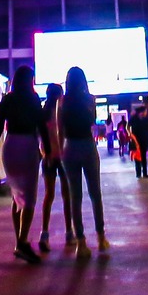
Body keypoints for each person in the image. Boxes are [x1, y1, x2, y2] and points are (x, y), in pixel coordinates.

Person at [0, 64, 48, 263]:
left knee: (16, 195)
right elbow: (41, 126)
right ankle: (22, 242)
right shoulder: (33, 98)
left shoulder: (8, 99)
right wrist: (47, 149)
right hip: (28, 145)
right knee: (29, 198)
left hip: (10, 145)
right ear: (30, 80)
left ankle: (18, 241)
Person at [56, 66, 109, 256]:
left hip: (69, 147)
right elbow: (92, 121)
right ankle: (101, 238)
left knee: (75, 197)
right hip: (87, 145)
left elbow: (59, 129)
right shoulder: (90, 99)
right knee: (95, 193)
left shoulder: (62, 102)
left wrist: (60, 151)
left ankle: (81, 242)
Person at [37, 83, 65, 251]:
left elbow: (41, 136)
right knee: (67, 195)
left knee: (49, 195)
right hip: (61, 157)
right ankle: (70, 232)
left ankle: (44, 233)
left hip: (48, 157)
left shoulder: (43, 111)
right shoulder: (59, 112)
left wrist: (45, 153)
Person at [129, 98, 148, 180]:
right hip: (139, 140)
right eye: (144, 111)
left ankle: (142, 173)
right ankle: (142, 173)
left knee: (141, 156)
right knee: (139, 156)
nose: (145, 113)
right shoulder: (135, 119)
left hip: (142, 140)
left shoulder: (142, 119)